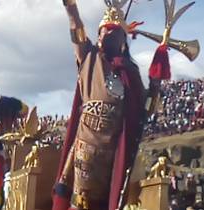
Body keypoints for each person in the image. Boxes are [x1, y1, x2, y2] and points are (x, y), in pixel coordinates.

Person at [52, 0, 170, 210]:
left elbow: (146, 109)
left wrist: (155, 83)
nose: (106, 35)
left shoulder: (130, 73)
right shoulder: (88, 57)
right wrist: (71, 7)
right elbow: (76, 28)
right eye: (103, 31)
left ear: (122, 41)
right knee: (81, 201)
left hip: (113, 150)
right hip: (86, 145)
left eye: (113, 32)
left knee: (109, 200)